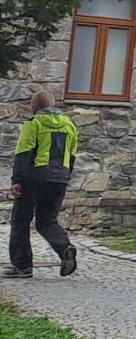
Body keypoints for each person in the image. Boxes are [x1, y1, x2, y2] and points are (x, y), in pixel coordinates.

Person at [5, 90, 79, 279]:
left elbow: (23, 153)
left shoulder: (33, 123)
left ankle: (22, 267)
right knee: (47, 221)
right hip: (59, 179)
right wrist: (64, 177)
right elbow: (71, 156)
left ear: (35, 105)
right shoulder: (69, 125)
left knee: (20, 221)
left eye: (31, 104)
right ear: (52, 105)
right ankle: (65, 248)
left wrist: (16, 181)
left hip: (34, 178)